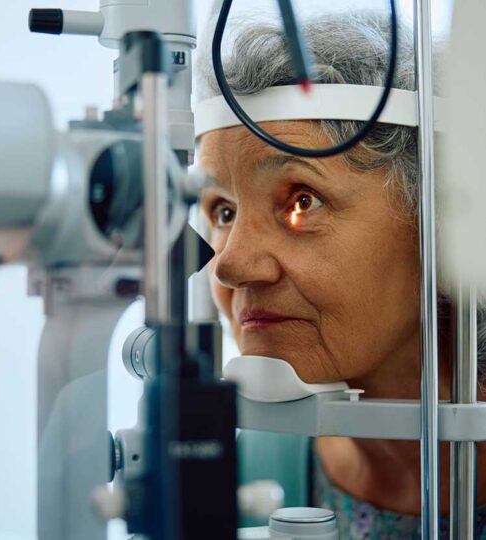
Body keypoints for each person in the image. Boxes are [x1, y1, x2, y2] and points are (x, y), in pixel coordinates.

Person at [195, 10, 486, 538]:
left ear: (443, 222)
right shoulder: (259, 454)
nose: (231, 265)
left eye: (301, 202)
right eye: (224, 211)